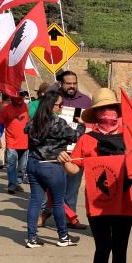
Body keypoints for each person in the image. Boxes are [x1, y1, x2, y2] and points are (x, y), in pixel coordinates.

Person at [58, 88, 132, 263]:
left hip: (126, 201)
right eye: (103, 109)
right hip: (98, 203)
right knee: (103, 248)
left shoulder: (131, 137)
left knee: (120, 249)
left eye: (111, 108)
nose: (108, 113)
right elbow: (75, 169)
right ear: (96, 113)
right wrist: (64, 161)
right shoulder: (87, 139)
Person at [24, 87, 85, 248]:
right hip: (52, 166)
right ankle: (63, 237)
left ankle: (31, 238)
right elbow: (76, 136)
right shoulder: (58, 122)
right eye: (59, 105)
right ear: (52, 106)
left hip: (33, 163)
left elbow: (26, 130)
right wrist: (81, 126)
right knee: (58, 202)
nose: (61, 107)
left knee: (35, 201)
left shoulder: (34, 121)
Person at [58, 70, 93, 215]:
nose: (72, 86)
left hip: (78, 150)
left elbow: (92, 124)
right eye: (68, 83)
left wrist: (86, 124)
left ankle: (70, 216)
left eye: (74, 83)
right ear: (61, 84)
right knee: (55, 185)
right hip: (57, 149)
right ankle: (45, 213)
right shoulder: (55, 98)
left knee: (73, 186)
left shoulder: (86, 101)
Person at [0, 90, 30, 195]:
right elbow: (0, 125)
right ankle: (12, 185)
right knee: (11, 165)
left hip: (25, 143)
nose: (21, 97)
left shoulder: (28, 108)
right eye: (19, 95)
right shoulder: (6, 109)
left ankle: (18, 182)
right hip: (11, 143)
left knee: (22, 166)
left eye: (22, 95)